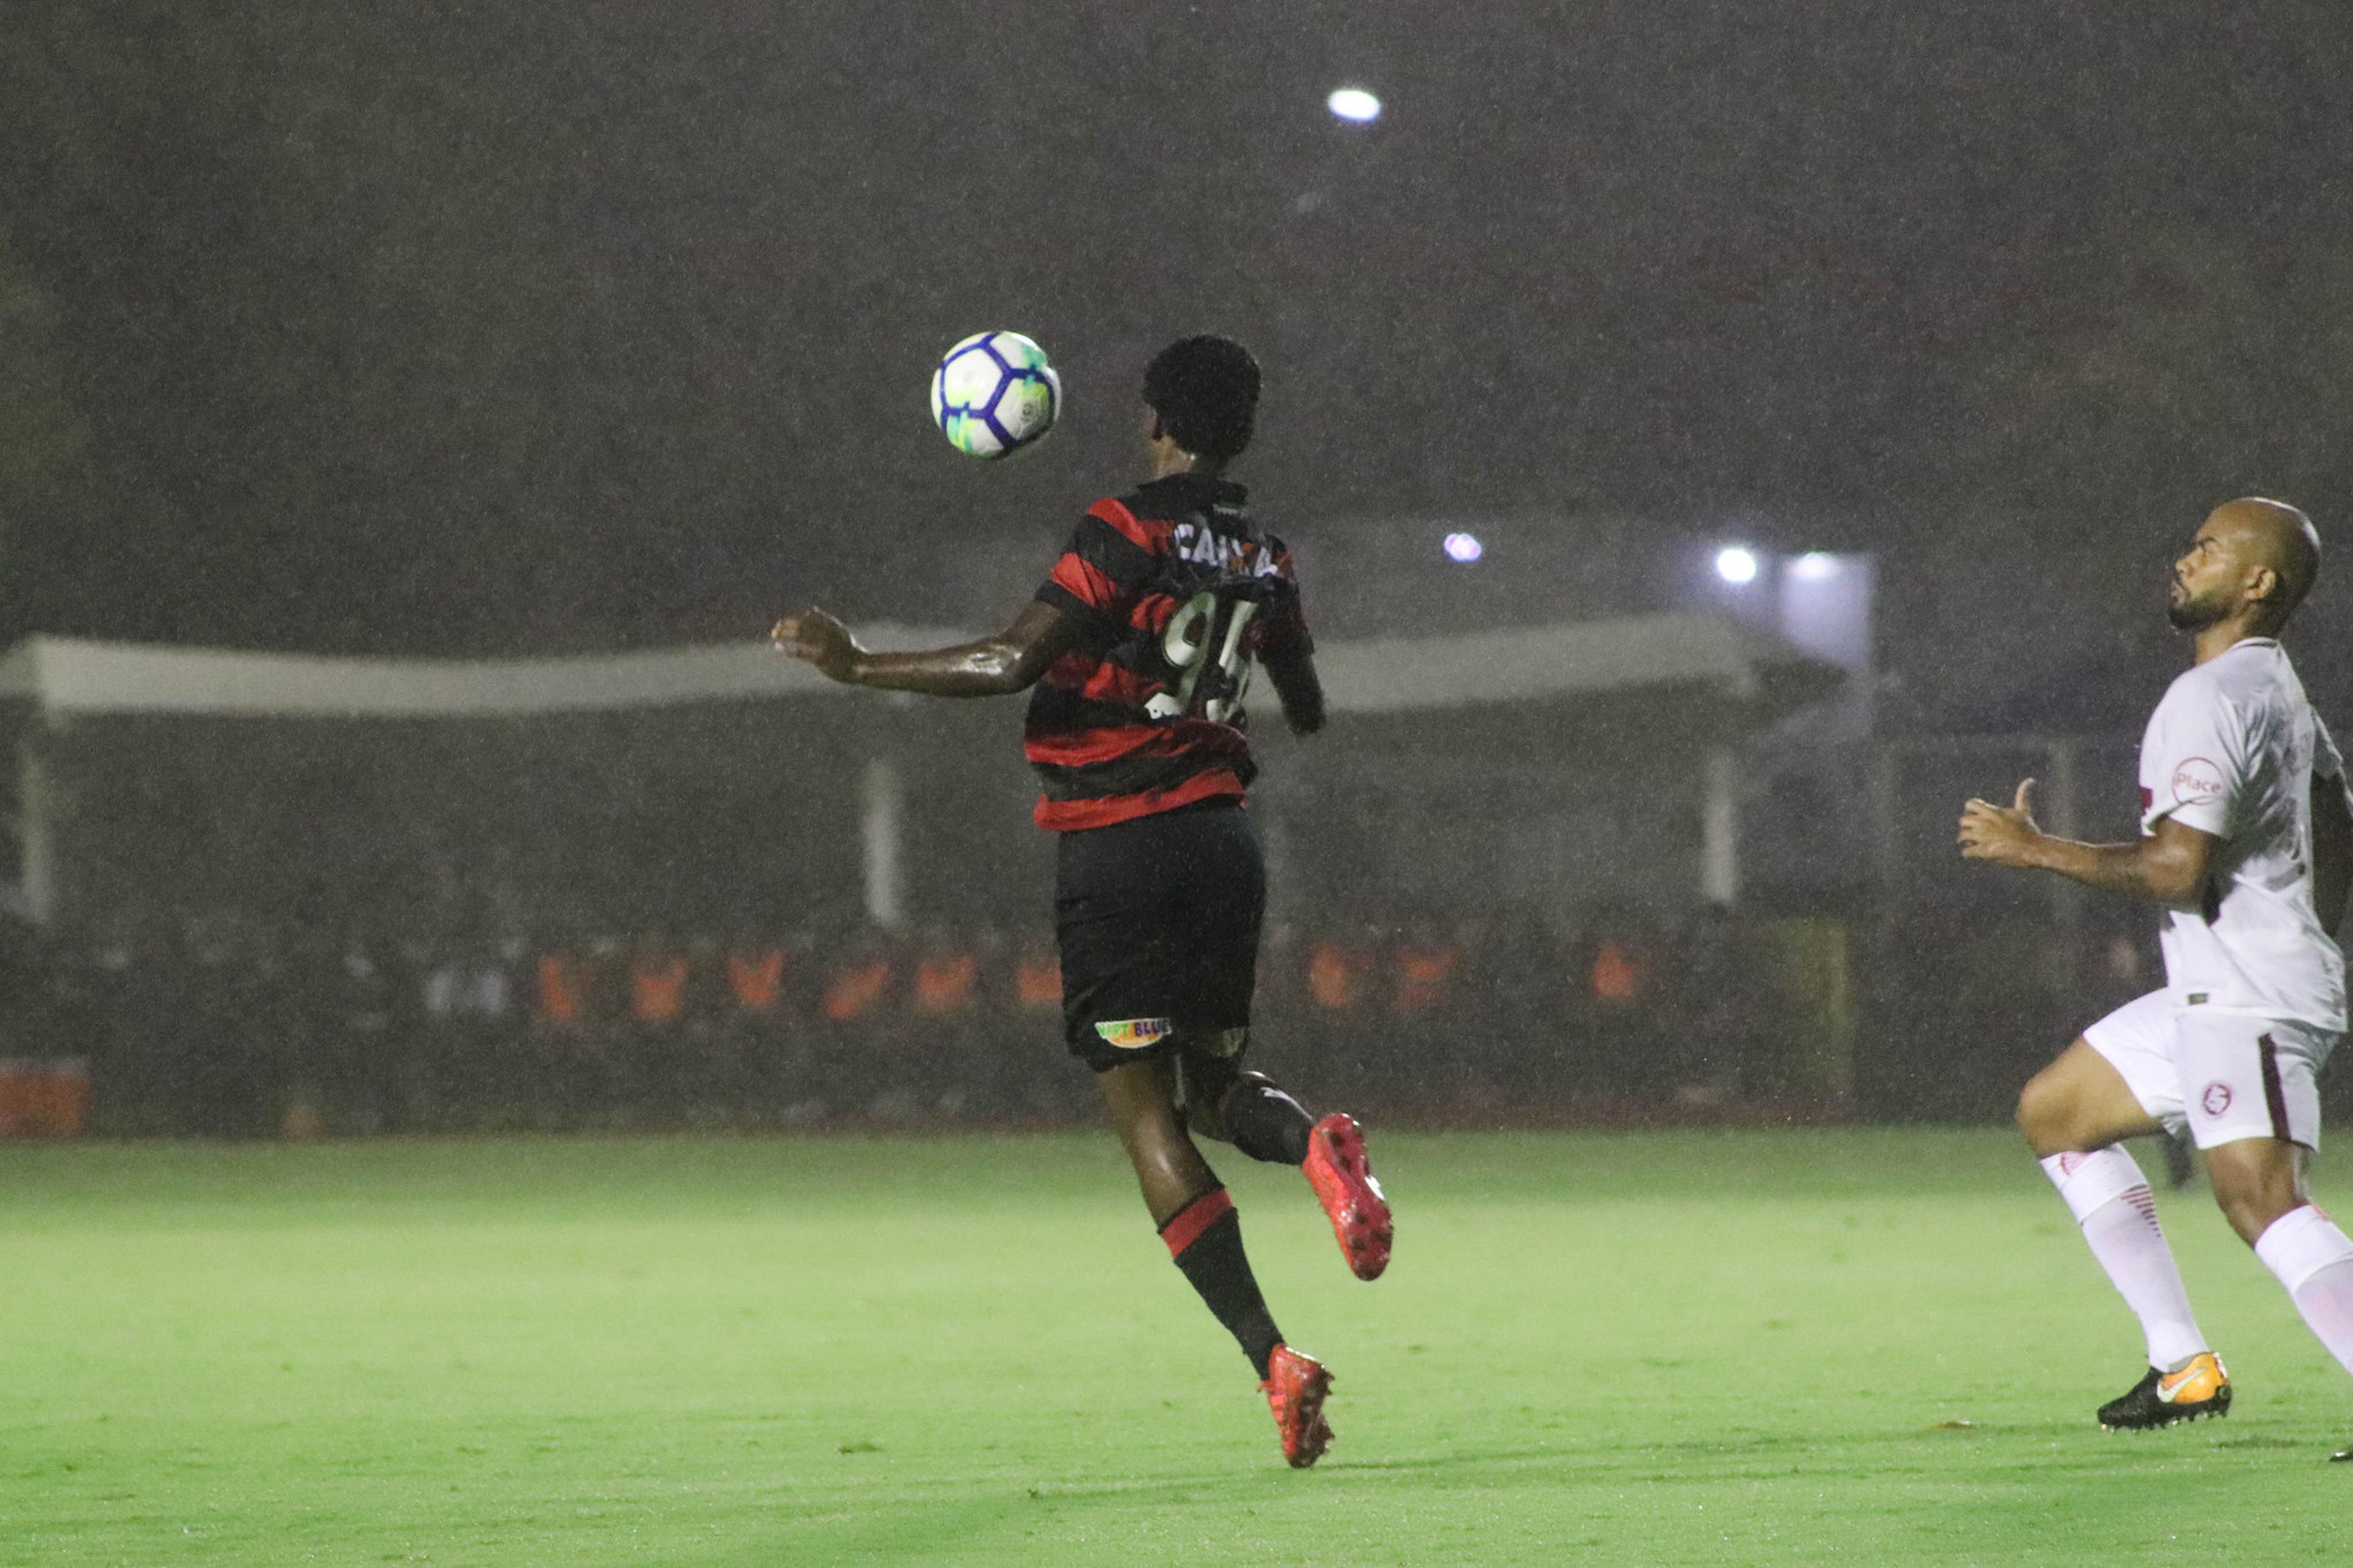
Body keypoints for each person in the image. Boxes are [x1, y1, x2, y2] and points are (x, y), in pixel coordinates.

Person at [772, 335, 1390, 1468]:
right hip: (1222, 841)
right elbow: (1299, 694)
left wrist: (861, 667)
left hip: (1119, 847)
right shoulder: (1267, 553)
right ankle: (1317, 1153)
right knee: (1219, 1089)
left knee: (1148, 1118)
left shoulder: (1127, 527)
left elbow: (1008, 662)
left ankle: (1274, 1361)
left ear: (1158, 419)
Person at [1958, 498, 2353, 1456]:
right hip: (2222, 988)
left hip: (2247, 997)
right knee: (2058, 1112)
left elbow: (2175, 869)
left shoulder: (2213, 699)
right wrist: (2305, 934)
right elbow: (2337, 818)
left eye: (2209, 549)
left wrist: (2039, 850)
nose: (2186, 559)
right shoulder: (2274, 688)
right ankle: (2182, 1363)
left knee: (2261, 1201)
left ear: (2256, 585)